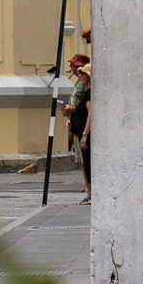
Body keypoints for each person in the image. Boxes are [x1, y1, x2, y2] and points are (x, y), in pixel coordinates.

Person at [62, 56, 92, 206]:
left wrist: (70, 110)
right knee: (82, 162)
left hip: (83, 130)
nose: (78, 74)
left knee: (85, 163)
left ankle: (90, 193)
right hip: (77, 126)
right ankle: (89, 193)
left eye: (82, 72)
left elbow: (88, 112)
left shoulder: (86, 89)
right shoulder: (80, 85)